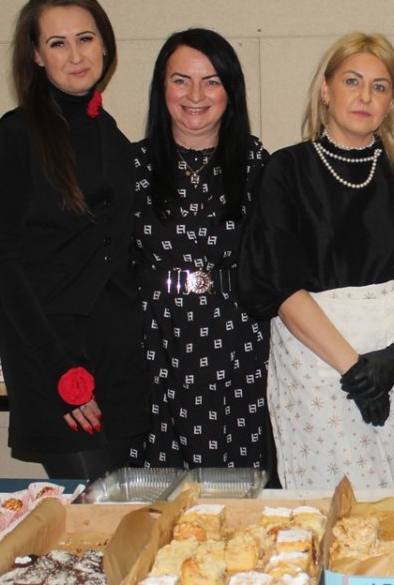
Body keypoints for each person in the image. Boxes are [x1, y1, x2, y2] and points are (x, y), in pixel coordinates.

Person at [239, 32, 394, 489]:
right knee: (331, 507)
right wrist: (353, 369)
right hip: (317, 368)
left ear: (392, 102)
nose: (364, 96)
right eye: (352, 81)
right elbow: (279, 285)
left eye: (379, 86)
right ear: (325, 89)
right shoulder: (285, 170)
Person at [0, 0, 149, 479]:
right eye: (58, 43)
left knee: (121, 511)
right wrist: (61, 371)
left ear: (105, 45)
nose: (76, 55)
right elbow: (4, 262)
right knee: (89, 510)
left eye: (85, 38)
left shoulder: (112, 135)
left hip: (116, 353)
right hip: (50, 351)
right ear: (36, 55)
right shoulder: (16, 133)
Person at [132, 28, 270, 470]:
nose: (195, 95)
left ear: (231, 91)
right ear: (162, 88)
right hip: (152, 344)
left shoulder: (259, 166)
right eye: (181, 80)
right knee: (156, 487)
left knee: (235, 486)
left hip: (237, 344)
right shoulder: (128, 166)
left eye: (211, 81)